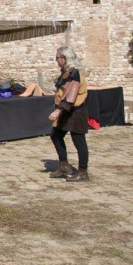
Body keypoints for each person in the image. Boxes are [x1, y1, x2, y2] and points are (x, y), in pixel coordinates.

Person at [47, 46, 90, 182]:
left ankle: (83, 172)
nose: (56, 60)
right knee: (56, 135)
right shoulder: (67, 72)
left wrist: (58, 111)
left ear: (65, 58)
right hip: (66, 111)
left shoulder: (75, 73)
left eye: (57, 58)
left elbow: (70, 96)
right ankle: (64, 165)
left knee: (79, 141)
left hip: (76, 112)